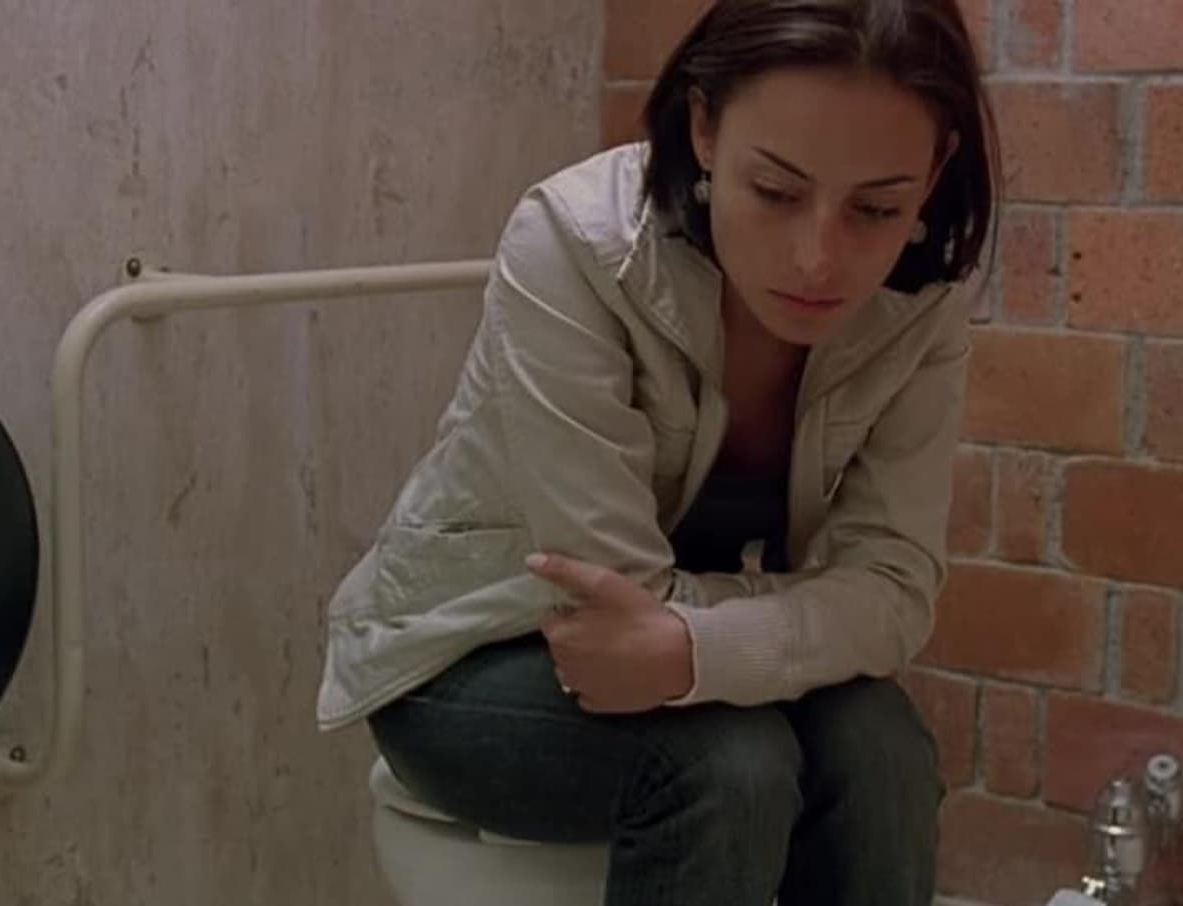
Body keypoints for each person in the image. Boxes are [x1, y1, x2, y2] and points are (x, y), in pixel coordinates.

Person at [315, 0, 998, 903]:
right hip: (470, 655)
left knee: (883, 749)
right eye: (776, 192)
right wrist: (804, 619)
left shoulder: (924, 303)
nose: (818, 260)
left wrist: (694, 647)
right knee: (728, 763)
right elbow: (611, 598)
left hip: (673, 651)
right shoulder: (575, 244)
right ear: (704, 128)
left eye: (876, 209)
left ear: (936, 170)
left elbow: (897, 584)